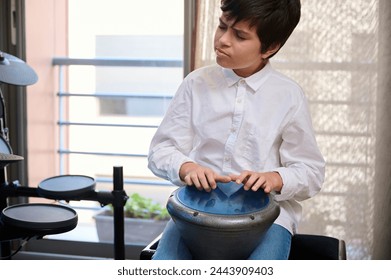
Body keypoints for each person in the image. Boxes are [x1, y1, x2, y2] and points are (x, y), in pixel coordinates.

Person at [147, 0, 325, 260]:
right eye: (221, 26)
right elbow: (160, 151)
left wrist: (275, 178)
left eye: (239, 35)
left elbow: (311, 172)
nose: (222, 40)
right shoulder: (196, 84)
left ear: (271, 47)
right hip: (197, 212)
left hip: (268, 220)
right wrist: (188, 168)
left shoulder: (289, 96)